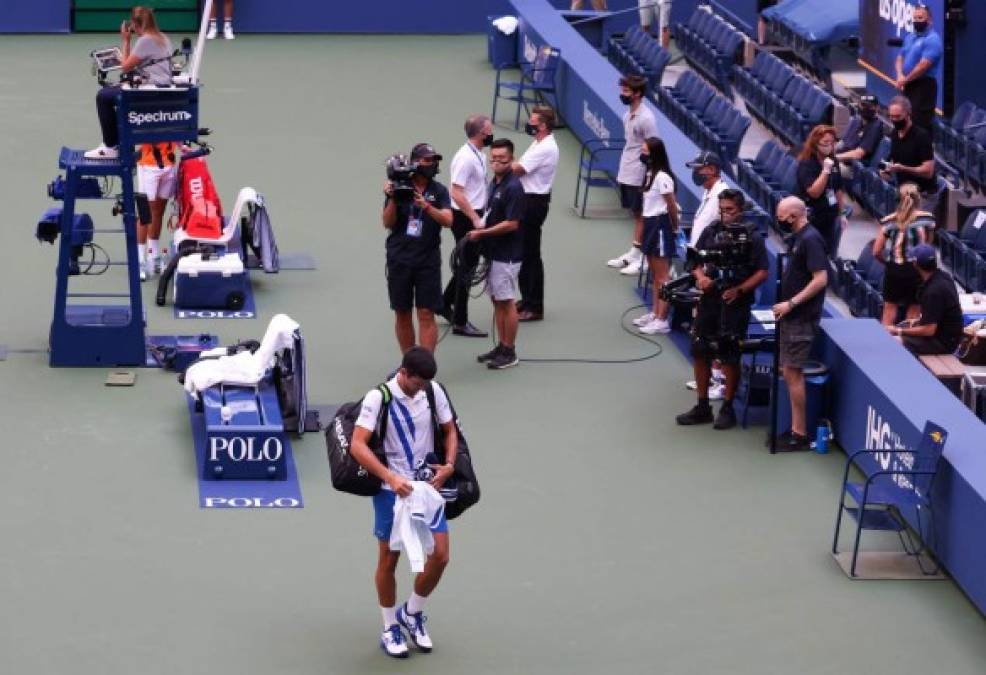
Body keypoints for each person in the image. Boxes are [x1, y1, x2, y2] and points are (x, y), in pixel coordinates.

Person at [349, 347, 458, 659]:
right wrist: (391, 477)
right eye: (417, 382)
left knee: (441, 555)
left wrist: (449, 464)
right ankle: (389, 626)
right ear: (404, 373)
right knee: (389, 559)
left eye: (425, 384)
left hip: (425, 488)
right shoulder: (378, 398)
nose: (421, 388)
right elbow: (358, 445)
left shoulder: (433, 391)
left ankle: (411, 612)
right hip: (390, 490)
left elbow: (450, 430)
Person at [676, 190, 768, 430]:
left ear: (740, 210)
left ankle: (727, 408)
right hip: (709, 300)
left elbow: (762, 272)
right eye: (722, 209)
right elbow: (694, 260)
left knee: (729, 354)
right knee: (700, 349)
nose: (725, 215)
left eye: (730, 210)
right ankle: (703, 405)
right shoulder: (712, 231)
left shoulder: (752, 237)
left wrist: (740, 289)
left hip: (735, 303)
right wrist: (700, 278)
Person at [382, 143, 453, 354]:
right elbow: (387, 222)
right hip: (399, 260)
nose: (432, 164)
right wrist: (393, 198)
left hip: (427, 261)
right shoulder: (398, 186)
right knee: (402, 313)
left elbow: (448, 220)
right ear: (415, 163)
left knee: (425, 313)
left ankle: (425, 367)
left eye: (434, 160)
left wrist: (427, 207)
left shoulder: (439, 191)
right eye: (427, 160)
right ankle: (409, 364)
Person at [771, 196, 829, 451]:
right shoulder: (799, 238)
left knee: (793, 373)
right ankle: (796, 429)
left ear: (793, 216)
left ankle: (800, 433)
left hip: (801, 318)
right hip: (791, 317)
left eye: (781, 216)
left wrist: (791, 303)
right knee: (789, 371)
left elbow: (820, 279)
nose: (779, 220)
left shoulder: (811, 239)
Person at [86, 7, 173, 160]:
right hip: (162, 91)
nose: (132, 28)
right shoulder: (163, 37)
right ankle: (118, 143)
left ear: (136, 24)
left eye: (132, 24)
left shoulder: (145, 40)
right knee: (114, 90)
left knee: (103, 96)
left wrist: (126, 40)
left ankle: (111, 146)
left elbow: (125, 67)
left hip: (149, 93)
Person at [469, 139, 526, 369]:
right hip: (494, 252)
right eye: (493, 158)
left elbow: (512, 224)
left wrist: (483, 234)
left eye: (502, 158)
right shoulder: (495, 183)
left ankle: (510, 352)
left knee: (506, 301)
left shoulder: (514, 187)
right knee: (497, 301)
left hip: (507, 255)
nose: (497, 162)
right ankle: (502, 345)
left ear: (511, 158)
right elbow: (491, 212)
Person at [441, 114, 493, 338]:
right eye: (489, 130)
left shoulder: (479, 154)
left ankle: (443, 302)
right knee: (467, 269)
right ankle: (460, 321)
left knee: (468, 265)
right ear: (481, 133)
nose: (491, 133)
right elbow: (456, 192)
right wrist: (474, 218)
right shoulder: (465, 158)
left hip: (475, 213)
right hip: (465, 217)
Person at [607, 75, 660, 276]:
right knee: (637, 214)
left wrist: (649, 175)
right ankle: (634, 252)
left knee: (644, 215)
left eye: (626, 91)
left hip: (640, 173)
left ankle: (645, 259)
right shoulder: (627, 115)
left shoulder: (647, 118)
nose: (622, 94)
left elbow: (654, 145)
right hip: (627, 169)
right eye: (622, 90)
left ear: (638, 93)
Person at [512, 106, 560, 322]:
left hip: (533, 204)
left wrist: (500, 163)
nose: (529, 124)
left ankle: (535, 306)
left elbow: (518, 170)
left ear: (542, 126)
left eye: (532, 121)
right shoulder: (539, 142)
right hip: (528, 201)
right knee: (523, 253)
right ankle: (526, 299)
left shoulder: (545, 147)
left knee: (530, 256)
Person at [633, 137, 679, 335]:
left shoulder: (663, 177)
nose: (642, 154)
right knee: (655, 276)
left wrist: (675, 228)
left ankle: (662, 320)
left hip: (661, 226)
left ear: (654, 154)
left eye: (645, 151)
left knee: (663, 277)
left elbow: (671, 206)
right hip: (651, 225)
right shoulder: (650, 173)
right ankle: (654, 313)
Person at [873, 182, 933, 327]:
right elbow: (928, 246)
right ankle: (907, 344)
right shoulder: (928, 219)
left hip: (894, 270)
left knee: (889, 311)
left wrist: (888, 262)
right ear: (918, 199)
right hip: (918, 270)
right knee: (914, 311)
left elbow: (876, 251)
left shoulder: (888, 221)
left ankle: (884, 344)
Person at [888, 243, 963, 356]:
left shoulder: (933, 292)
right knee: (904, 325)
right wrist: (917, 322)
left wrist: (899, 331)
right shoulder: (944, 276)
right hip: (946, 334)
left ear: (915, 264)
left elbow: (929, 330)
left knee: (893, 341)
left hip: (943, 342)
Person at [796, 125, 846, 257]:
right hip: (813, 217)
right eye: (825, 143)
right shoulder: (806, 164)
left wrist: (842, 214)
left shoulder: (833, 161)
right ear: (815, 144)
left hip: (831, 216)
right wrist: (825, 171)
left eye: (832, 142)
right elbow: (814, 192)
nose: (829, 146)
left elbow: (838, 189)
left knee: (829, 253)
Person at [882, 96, 938, 212]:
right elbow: (893, 158)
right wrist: (886, 170)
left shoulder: (921, 136)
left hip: (922, 195)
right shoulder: (895, 134)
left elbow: (928, 171)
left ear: (908, 114)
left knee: (913, 227)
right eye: (891, 117)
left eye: (898, 117)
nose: (894, 120)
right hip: (904, 192)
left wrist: (903, 168)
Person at [895, 3, 942, 133]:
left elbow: (923, 66)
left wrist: (905, 80)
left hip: (923, 86)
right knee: (905, 119)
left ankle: (924, 152)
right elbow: (900, 57)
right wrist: (899, 75)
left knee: (919, 124)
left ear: (929, 20)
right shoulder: (910, 37)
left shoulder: (933, 40)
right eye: (915, 18)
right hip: (908, 84)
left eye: (920, 18)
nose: (917, 21)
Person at [136, 141, 178, 281]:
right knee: (145, 213)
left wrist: (183, 146)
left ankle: (153, 256)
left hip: (169, 164)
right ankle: (139, 260)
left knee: (158, 211)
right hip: (148, 165)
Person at [686, 151, 729, 247]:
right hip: (697, 253)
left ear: (712, 169)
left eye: (698, 169)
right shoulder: (707, 192)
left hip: (708, 256)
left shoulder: (723, 194)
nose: (695, 173)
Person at [835, 95, 885, 169]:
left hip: (853, 166)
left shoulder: (875, 127)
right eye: (863, 105)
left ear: (876, 107)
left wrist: (835, 158)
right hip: (841, 157)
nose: (865, 108)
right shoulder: (857, 119)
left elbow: (858, 154)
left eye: (869, 106)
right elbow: (842, 142)